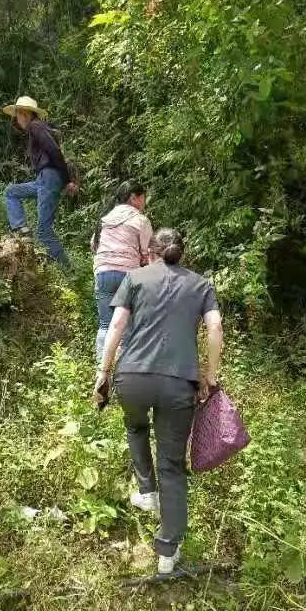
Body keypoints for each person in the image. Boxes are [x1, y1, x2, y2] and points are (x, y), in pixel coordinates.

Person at [93, 228, 224, 574]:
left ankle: (146, 490)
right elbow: (215, 328)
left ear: (149, 253)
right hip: (179, 383)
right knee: (172, 464)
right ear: (182, 253)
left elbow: (117, 324)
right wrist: (210, 377)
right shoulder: (201, 284)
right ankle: (168, 553)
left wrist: (104, 372)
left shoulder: (135, 278)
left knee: (136, 427)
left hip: (132, 377)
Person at [2, 96, 78, 264]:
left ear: (25, 113)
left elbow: (55, 151)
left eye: (18, 115)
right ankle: (22, 230)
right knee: (11, 192)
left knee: (44, 232)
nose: (17, 119)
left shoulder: (36, 126)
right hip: (42, 180)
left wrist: (67, 181)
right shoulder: (36, 128)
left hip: (49, 178)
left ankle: (69, 271)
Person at [91, 181, 153, 362]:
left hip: (103, 272)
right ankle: (123, 371)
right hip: (128, 275)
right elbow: (147, 252)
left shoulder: (104, 218)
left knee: (105, 324)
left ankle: (102, 373)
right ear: (134, 197)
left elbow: (94, 246)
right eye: (143, 197)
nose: (145, 202)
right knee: (126, 326)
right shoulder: (140, 220)